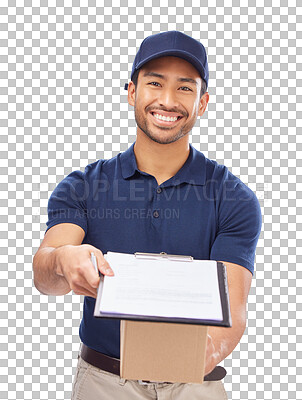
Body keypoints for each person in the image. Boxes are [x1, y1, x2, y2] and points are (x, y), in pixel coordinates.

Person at [33, 30, 262, 400]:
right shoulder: (83, 187)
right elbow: (45, 277)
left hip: (196, 383)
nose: (167, 101)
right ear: (131, 92)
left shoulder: (233, 198)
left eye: (185, 88)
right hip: (103, 384)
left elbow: (231, 313)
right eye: (154, 83)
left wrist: (171, 364)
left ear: (203, 103)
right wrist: (63, 259)